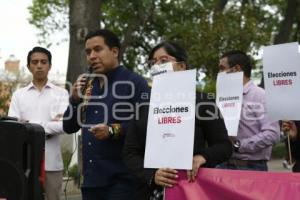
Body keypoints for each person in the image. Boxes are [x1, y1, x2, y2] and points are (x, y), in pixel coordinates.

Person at [122, 41, 232, 199]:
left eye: (164, 60)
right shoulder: (144, 106)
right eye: (153, 63)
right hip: (150, 193)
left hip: (191, 189)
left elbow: (224, 146)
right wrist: (152, 175)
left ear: (182, 66)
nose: (157, 66)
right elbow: (130, 152)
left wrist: (203, 157)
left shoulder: (203, 102)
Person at [63, 29, 150, 200]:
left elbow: (146, 125)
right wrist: (74, 100)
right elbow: (68, 127)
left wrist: (112, 130)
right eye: (88, 52)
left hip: (124, 179)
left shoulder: (135, 82)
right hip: (91, 181)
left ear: (115, 51)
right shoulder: (87, 85)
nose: (92, 56)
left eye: (98, 49)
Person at [8, 47, 69, 200]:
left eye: (43, 62)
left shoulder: (61, 93)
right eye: (35, 62)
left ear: (50, 65)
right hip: (24, 161)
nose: (39, 65)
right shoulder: (18, 95)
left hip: (52, 162)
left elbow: (63, 126)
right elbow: (13, 128)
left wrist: (29, 125)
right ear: (29, 66)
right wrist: (49, 125)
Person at [217, 50, 280, 171]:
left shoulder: (261, 95)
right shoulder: (222, 98)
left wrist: (238, 145)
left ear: (236, 69)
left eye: (222, 68)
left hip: (251, 167)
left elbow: (273, 134)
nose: (219, 73)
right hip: (223, 165)